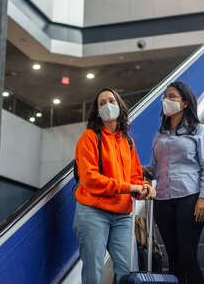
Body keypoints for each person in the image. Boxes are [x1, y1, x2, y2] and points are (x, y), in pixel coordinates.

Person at [73, 88, 156, 284]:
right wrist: (131, 188)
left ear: (119, 106)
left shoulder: (127, 141)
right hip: (93, 212)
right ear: (97, 111)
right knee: (93, 272)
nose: (107, 105)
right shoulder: (89, 138)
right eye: (102, 103)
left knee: (129, 271)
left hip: (122, 216)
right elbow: (90, 179)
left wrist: (144, 187)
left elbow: (135, 176)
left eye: (111, 101)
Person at [143, 81, 204, 284]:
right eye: (165, 97)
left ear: (185, 103)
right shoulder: (159, 134)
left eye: (172, 96)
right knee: (173, 259)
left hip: (190, 199)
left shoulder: (199, 131)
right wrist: (144, 171)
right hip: (163, 201)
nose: (167, 100)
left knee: (187, 257)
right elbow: (156, 168)